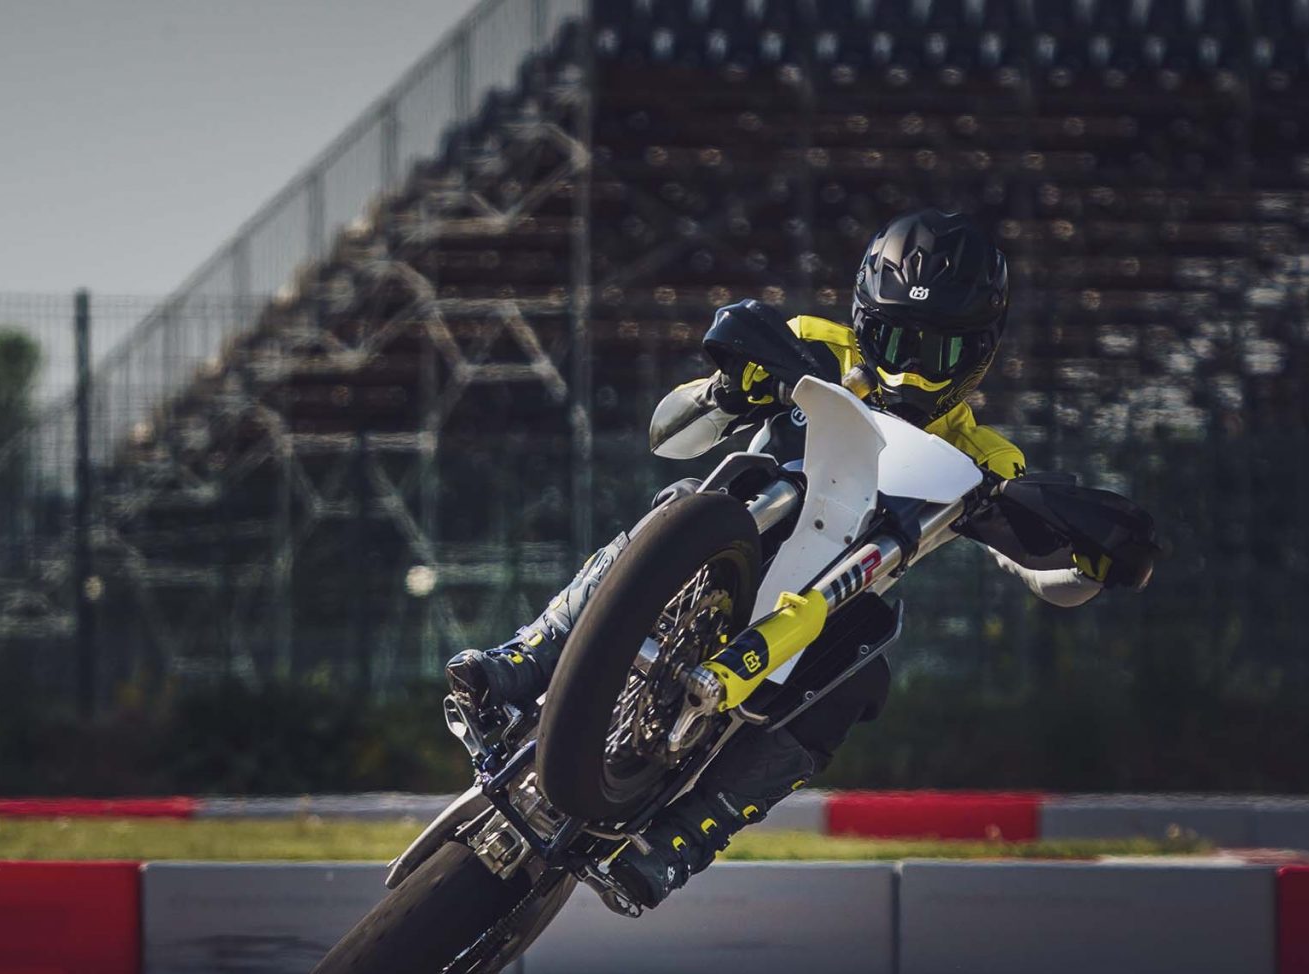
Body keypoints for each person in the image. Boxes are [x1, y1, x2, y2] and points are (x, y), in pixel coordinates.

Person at [445, 208, 1153, 908]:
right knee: (679, 500)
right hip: (732, 535)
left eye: (936, 353)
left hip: (827, 611)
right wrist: (723, 391)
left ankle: (686, 837)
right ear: (863, 319)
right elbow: (672, 430)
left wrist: (1081, 555)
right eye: (893, 340)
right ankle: (528, 655)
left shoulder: (987, 457)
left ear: (978, 354)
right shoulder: (810, 341)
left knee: (864, 670)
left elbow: (1041, 572)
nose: (909, 370)